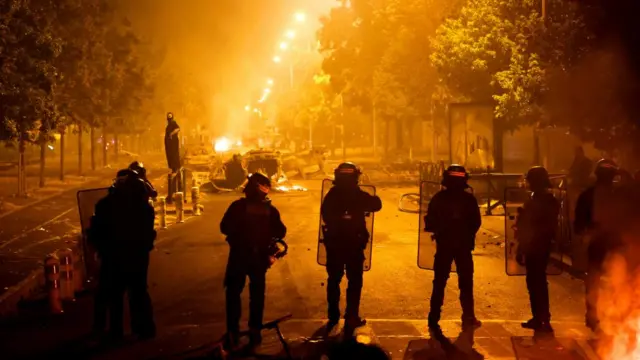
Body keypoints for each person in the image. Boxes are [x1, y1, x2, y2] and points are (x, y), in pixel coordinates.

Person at [89, 168, 157, 340]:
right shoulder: (144, 208)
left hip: (113, 256)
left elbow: (96, 230)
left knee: (114, 294)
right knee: (139, 292)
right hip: (138, 256)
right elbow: (148, 233)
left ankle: (115, 331)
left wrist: (98, 247)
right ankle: (144, 329)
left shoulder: (105, 205)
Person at [220, 172, 287, 349]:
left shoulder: (237, 206)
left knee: (233, 293)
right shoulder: (269, 210)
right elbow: (281, 232)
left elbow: (224, 227)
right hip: (258, 258)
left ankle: (233, 331)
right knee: (257, 295)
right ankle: (254, 330)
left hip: (238, 256)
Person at [321, 162, 382, 334]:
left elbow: (325, 214)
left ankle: (333, 316)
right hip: (354, 245)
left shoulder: (332, 195)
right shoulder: (357, 194)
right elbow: (376, 204)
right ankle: (351, 316)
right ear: (355, 176)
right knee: (354, 281)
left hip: (335, 244)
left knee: (334, 279)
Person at [424, 165, 481, 332]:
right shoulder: (469, 200)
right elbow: (476, 222)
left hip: (444, 246)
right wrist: (466, 234)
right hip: (463, 246)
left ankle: (433, 317)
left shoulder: (439, 198)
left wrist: (440, 231)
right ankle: (468, 317)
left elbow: (430, 221)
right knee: (466, 282)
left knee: (440, 282)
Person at [574, 159, 620, 332]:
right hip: (611, 243)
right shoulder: (618, 195)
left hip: (602, 243)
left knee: (595, 280)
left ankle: (593, 316)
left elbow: (579, 221)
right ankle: (607, 315)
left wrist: (582, 235)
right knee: (614, 278)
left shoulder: (588, 194)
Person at [515, 166, 560, 333]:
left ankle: (542, 317)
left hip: (537, 245)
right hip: (539, 244)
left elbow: (532, 225)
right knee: (535, 281)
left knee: (537, 281)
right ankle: (540, 317)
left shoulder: (542, 201)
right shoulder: (544, 200)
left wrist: (524, 245)